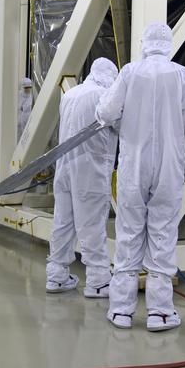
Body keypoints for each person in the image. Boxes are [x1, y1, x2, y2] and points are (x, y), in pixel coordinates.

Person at [96, 23, 185, 331]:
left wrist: (124, 118)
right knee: (162, 234)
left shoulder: (130, 72)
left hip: (134, 165)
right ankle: (160, 313)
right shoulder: (182, 75)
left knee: (129, 232)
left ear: (144, 43)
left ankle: (121, 309)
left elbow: (106, 112)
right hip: (169, 169)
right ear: (169, 44)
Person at [46, 58, 118, 298]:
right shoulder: (103, 94)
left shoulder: (71, 94)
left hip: (64, 166)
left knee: (63, 221)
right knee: (91, 224)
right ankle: (98, 280)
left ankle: (56, 276)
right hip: (90, 168)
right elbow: (119, 126)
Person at [17, 77, 34, 141]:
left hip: (28, 116)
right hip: (20, 117)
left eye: (29, 88)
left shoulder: (30, 96)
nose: (28, 90)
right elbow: (20, 107)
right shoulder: (19, 95)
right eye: (26, 88)